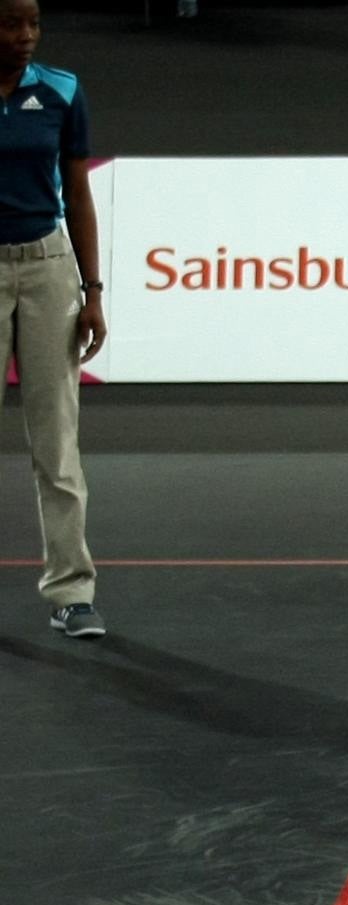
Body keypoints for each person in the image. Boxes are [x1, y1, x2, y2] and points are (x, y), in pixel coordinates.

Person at [1, 0, 103, 637]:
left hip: (48, 266)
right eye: (12, 23)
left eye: (35, 22)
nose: (27, 35)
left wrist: (92, 291)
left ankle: (72, 592)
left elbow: (78, 190)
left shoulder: (62, 90)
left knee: (57, 444)